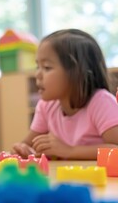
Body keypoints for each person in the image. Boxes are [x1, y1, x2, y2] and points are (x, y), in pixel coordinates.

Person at [12, 29, 118, 160]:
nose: (37, 75)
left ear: (76, 72)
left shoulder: (101, 102)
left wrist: (70, 151)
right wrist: (22, 150)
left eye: (47, 67)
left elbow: (116, 149)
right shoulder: (46, 106)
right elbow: (28, 145)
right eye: (37, 67)